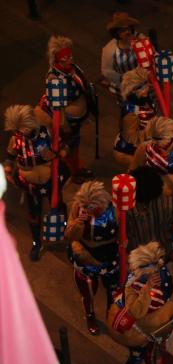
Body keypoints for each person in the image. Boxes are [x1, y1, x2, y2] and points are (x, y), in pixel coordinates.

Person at [107, 242, 173, 364]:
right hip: (137, 329)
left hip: (153, 326)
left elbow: (168, 293)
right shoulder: (132, 284)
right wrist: (148, 288)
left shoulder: (161, 272)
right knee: (137, 356)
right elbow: (136, 311)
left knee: (151, 351)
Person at [3, 105, 69, 261]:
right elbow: (9, 156)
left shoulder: (47, 133)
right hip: (30, 185)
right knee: (34, 214)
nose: (21, 133)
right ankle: (37, 242)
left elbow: (65, 146)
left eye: (23, 129)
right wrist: (7, 168)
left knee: (58, 206)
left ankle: (65, 232)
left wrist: (57, 153)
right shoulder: (15, 139)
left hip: (50, 181)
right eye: (18, 130)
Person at [34, 35, 94, 183]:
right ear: (57, 60)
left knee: (73, 145)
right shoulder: (55, 79)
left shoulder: (71, 69)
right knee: (69, 146)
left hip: (73, 117)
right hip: (63, 120)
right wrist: (64, 124)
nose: (69, 60)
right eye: (65, 59)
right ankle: (74, 171)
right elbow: (57, 105)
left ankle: (75, 168)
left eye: (70, 56)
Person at [64, 181, 119, 335]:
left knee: (114, 291)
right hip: (86, 258)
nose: (89, 210)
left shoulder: (113, 209)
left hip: (110, 257)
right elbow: (68, 235)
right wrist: (78, 223)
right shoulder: (76, 207)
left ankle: (112, 315)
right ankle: (90, 315)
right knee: (87, 291)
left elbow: (125, 228)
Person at [129, 116, 173, 197]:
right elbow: (134, 168)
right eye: (152, 138)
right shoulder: (145, 147)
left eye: (158, 139)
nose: (154, 142)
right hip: (152, 188)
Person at [113, 67, 156, 168]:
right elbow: (131, 138)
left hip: (145, 144)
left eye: (146, 86)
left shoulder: (145, 100)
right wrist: (154, 132)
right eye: (143, 88)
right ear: (134, 91)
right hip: (130, 152)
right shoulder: (131, 113)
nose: (147, 89)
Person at [100, 12, 141, 97]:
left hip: (143, 85)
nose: (127, 32)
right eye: (122, 30)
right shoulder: (109, 50)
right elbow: (106, 70)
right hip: (125, 88)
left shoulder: (140, 40)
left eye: (128, 28)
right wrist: (124, 78)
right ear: (117, 33)